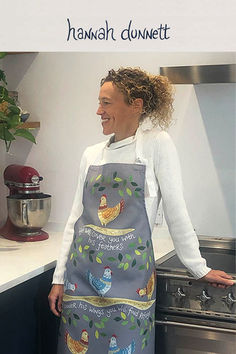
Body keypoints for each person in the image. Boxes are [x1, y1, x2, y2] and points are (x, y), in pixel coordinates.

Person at [48, 67, 234, 353]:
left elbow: (176, 209)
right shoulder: (91, 154)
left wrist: (198, 267)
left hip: (130, 283)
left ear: (136, 105)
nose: (98, 110)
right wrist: (59, 279)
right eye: (99, 102)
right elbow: (76, 219)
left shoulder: (156, 144)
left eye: (106, 103)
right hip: (81, 279)